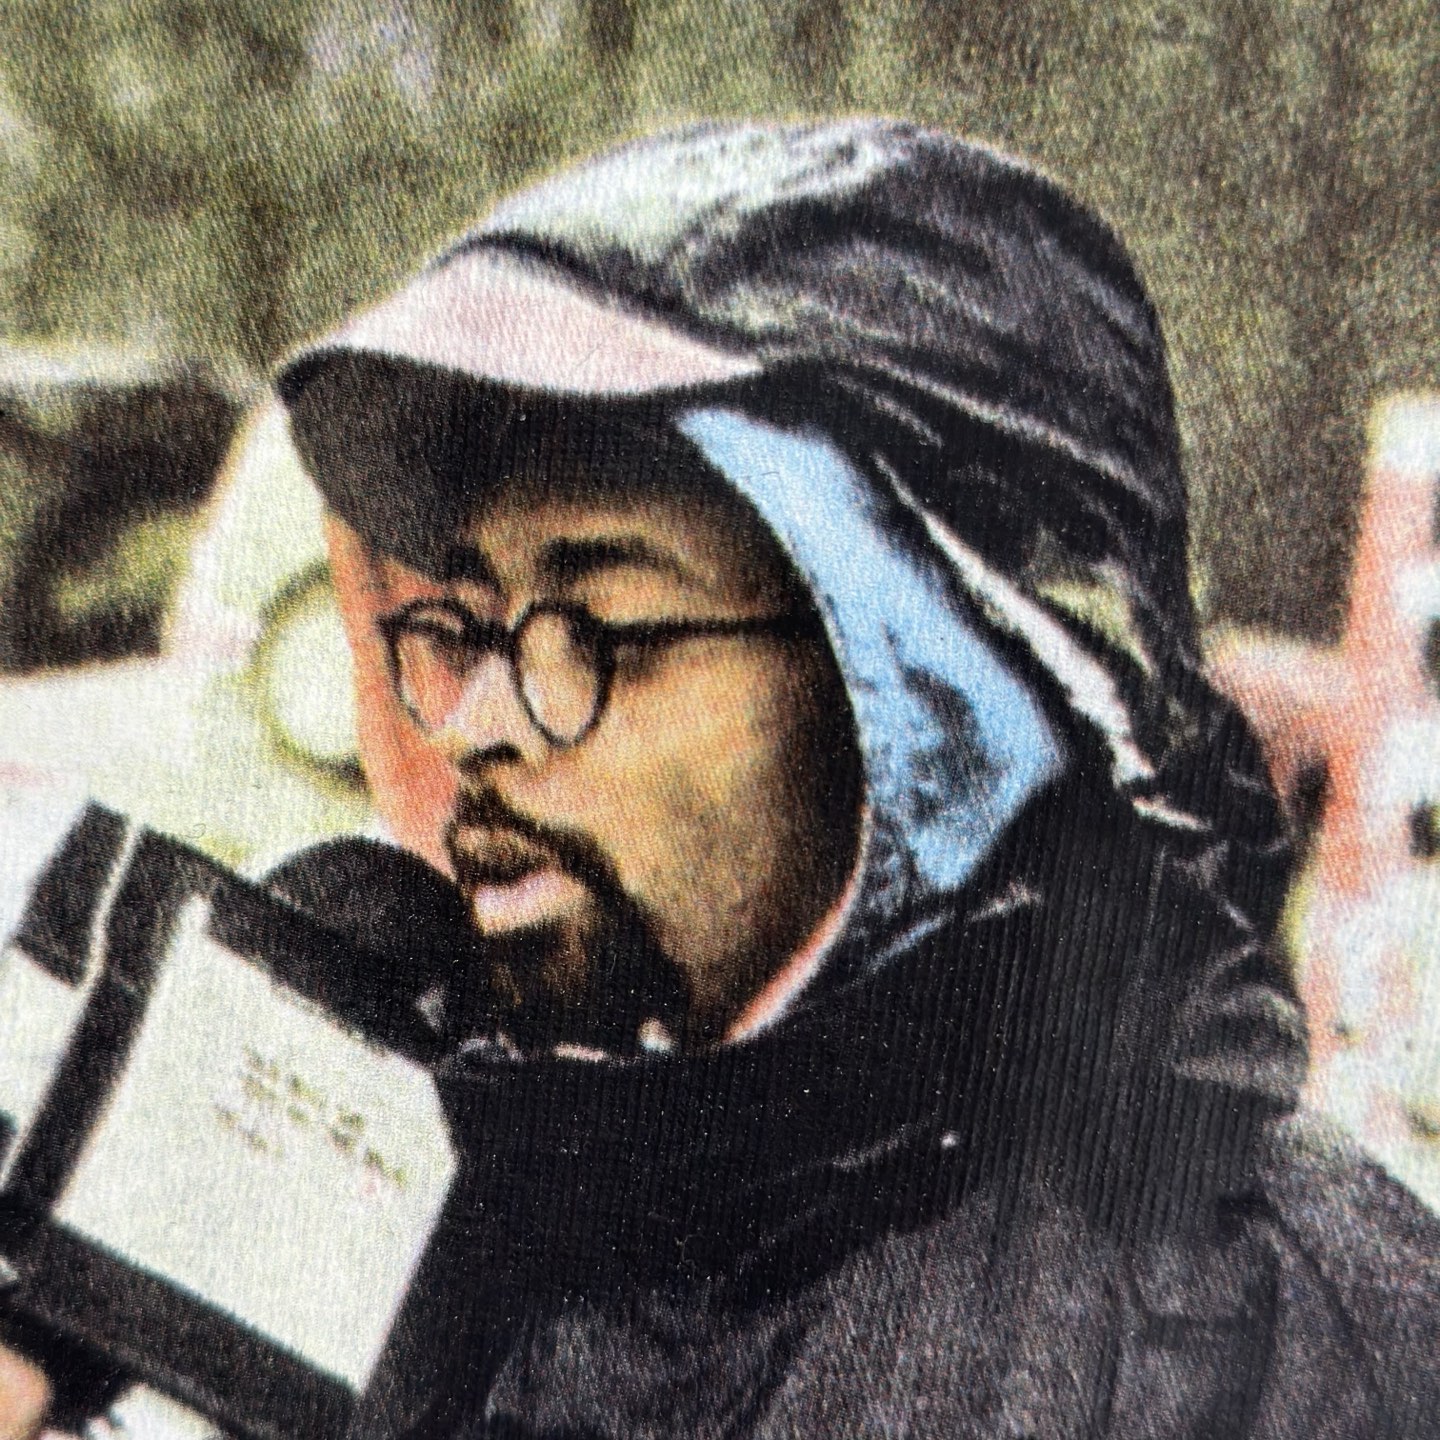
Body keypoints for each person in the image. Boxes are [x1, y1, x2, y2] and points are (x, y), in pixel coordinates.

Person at [4, 119, 1438, 1439]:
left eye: (597, 626)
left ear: (918, 695)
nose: (476, 725)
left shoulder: (1242, 1339)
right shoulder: (465, 1190)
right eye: (464, 626)